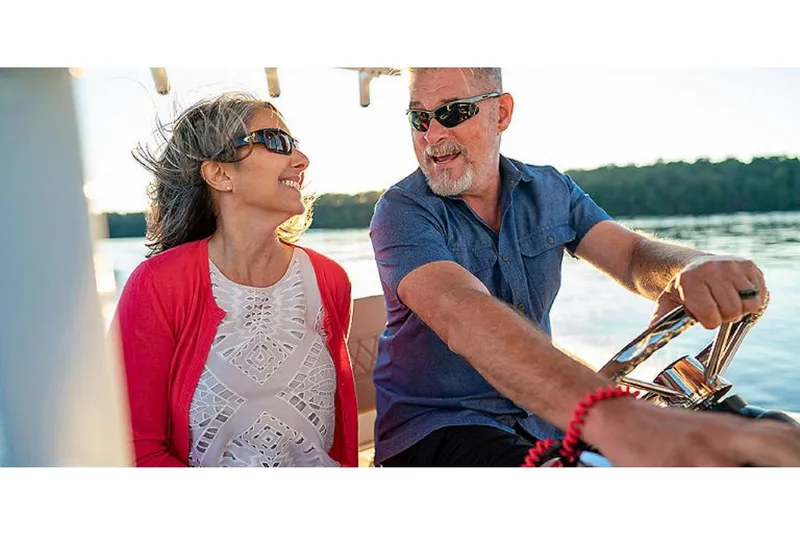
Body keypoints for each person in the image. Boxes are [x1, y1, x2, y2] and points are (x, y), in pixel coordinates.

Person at [368, 67, 800, 467]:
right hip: (437, 429)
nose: (432, 135)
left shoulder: (550, 190)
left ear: (501, 113)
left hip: (546, 417)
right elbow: (459, 311)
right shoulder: (401, 210)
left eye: (452, 113)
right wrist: (620, 418)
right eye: (419, 118)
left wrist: (693, 267)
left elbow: (631, 256)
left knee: (767, 437)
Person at [112, 92, 358, 467]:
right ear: (220, 174)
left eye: (295, 146)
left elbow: (339, 442)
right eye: (276, 142)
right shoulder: (158, 285)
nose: (301, 161)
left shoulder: (329, 280)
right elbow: (136, 448)